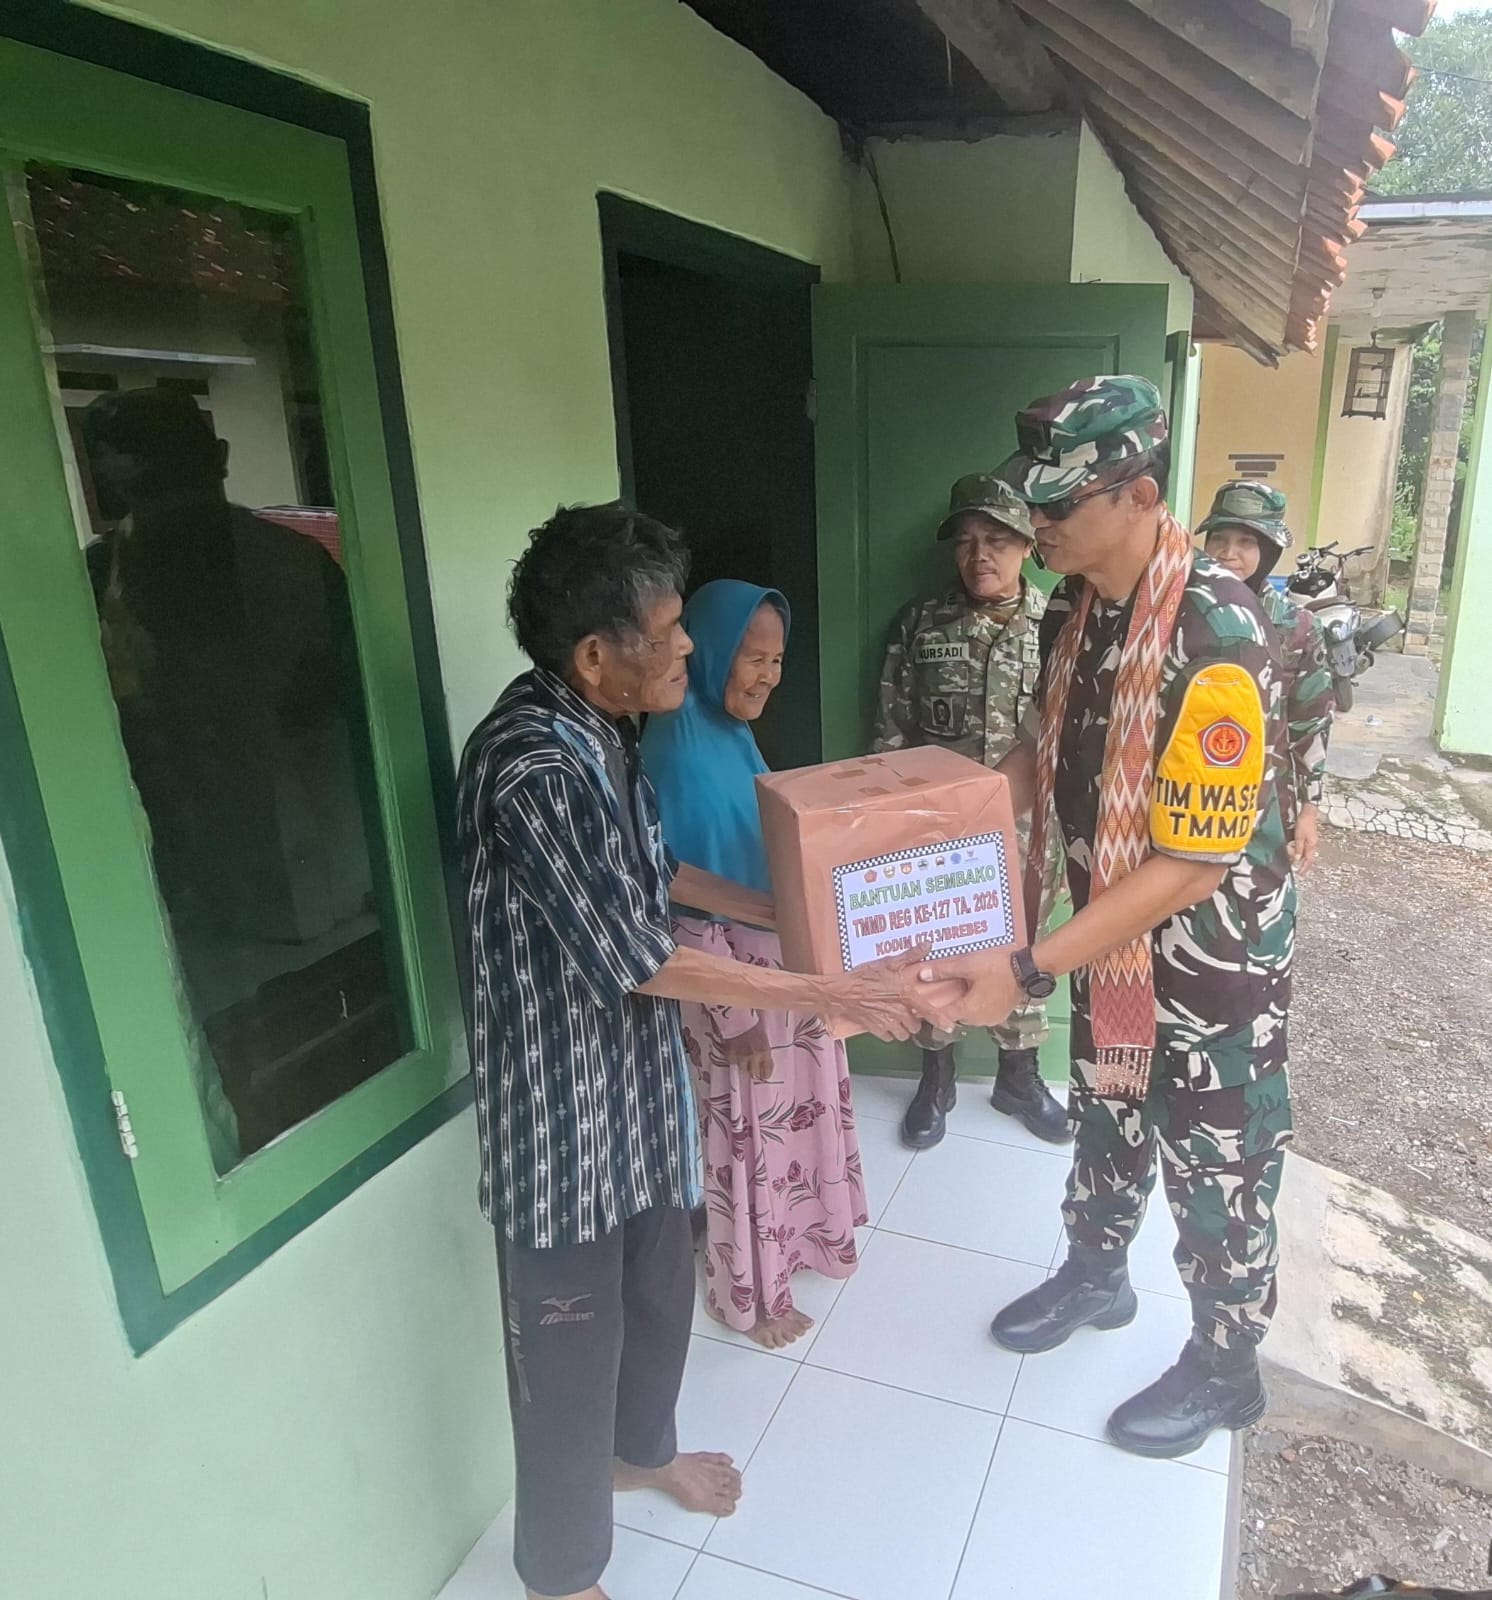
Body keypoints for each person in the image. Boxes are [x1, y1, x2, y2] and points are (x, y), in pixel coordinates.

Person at [456, 505, 934, 1600]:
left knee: (659, 1298)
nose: (685, 648)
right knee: (567, 1353)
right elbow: (640, 956)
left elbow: (661, 875)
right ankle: (562, 1575)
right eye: (667, 630)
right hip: (561, 1122)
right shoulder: (534, 764)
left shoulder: (601, 733)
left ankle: (639, 1457)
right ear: (595, 654)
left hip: (634, 1095)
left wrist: (797, 917)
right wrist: (825, 990)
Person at [921, 377, 1296, 1461]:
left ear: (1138, 496)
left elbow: (1192, 862)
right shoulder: (1074, 611)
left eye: (1058, 506)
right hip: (1108, 938)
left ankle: (1227, 1367)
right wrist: (934, 825)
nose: (1034, 525)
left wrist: (1028, 966)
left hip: (1212, 962)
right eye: (1033, 503)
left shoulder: (1219, 629)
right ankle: (1097, 1274)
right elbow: (1042, 745)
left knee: (1218, 1163)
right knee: (1109, 1110)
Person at [641, 579, 866, 1351]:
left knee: (792, 1126)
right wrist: (732, 1017)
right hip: (731, 980)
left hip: (782, 970)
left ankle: (800, 1247)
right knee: (747, 1141)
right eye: (752, 657)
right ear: (708, 653)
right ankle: (750, 1296)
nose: (768, 675)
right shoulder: (675, 755)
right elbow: (677, 906)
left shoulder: (727, 737)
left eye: (777, 659)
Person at [873, 474, 1068, 1150]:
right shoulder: (920, 624)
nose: (979, 555)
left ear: (1027, 544)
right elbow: (891, 733)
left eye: (996, 540)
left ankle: (1019, 1076)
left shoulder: (1060, 624)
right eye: (965, 541)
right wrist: (897, 825)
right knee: (936, 947)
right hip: (941, 832)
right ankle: (937, 1077)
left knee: (1028, 947)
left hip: (1030, 829)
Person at [1198, 480, 1334, 872]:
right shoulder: (1182, 614)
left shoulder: (1297, 627)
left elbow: (1311, 722)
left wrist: (1308, 809)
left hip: (1265, 804)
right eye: (1219, 538)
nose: (1228, 553)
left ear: (1270, 552)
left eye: (1246, 542)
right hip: (1188, 795)